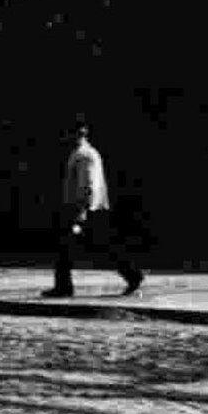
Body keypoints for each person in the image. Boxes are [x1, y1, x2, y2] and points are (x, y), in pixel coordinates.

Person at [44, 120, 142, 298]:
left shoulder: (84, 155)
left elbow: (87, 184)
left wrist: (81, 211)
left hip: (86, 209)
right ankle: (132, 275)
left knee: (75, 246)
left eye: (69, 134)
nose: (65, 138)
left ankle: (132, 275)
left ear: (78, 135)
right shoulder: (83, 153)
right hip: (90, 208)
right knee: (95, 246)